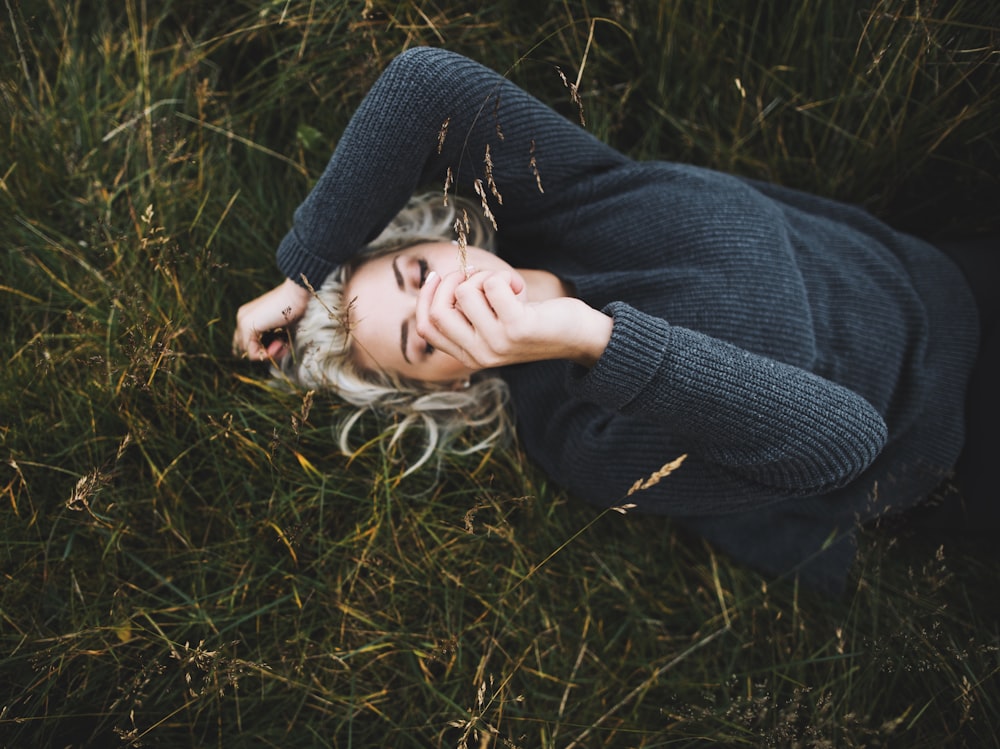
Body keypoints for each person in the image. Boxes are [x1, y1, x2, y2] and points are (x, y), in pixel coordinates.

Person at [233, 47, 996, 591]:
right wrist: (589, 338)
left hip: (948, 276)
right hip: (961, 435)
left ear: (442, 237)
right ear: (450, 379)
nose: (441, 304)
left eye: (417, 273)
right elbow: (846, 442)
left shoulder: (560, 198)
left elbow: (423, 83)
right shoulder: (579, 438)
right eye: (420, 340)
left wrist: (303, 268)